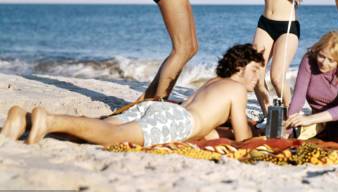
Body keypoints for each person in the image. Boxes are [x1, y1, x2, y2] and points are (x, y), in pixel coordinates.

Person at [1, 44, 265, 146]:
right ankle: (48, 120)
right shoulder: (237, 89)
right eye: (255, 70)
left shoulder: (213, 81)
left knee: (98, 129)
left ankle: (23, 120)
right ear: (239, 67)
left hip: (162, 110)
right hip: (178, 120)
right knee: (112, 137)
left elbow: (208, 121)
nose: (257, 78)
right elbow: (243, 137)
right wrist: (257, 133)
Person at [247, 0, 305, 114]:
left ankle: (292, 115)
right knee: (255, 72)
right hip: (265, 24)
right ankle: (267, 114)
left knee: (277, 77)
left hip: (287, 26)